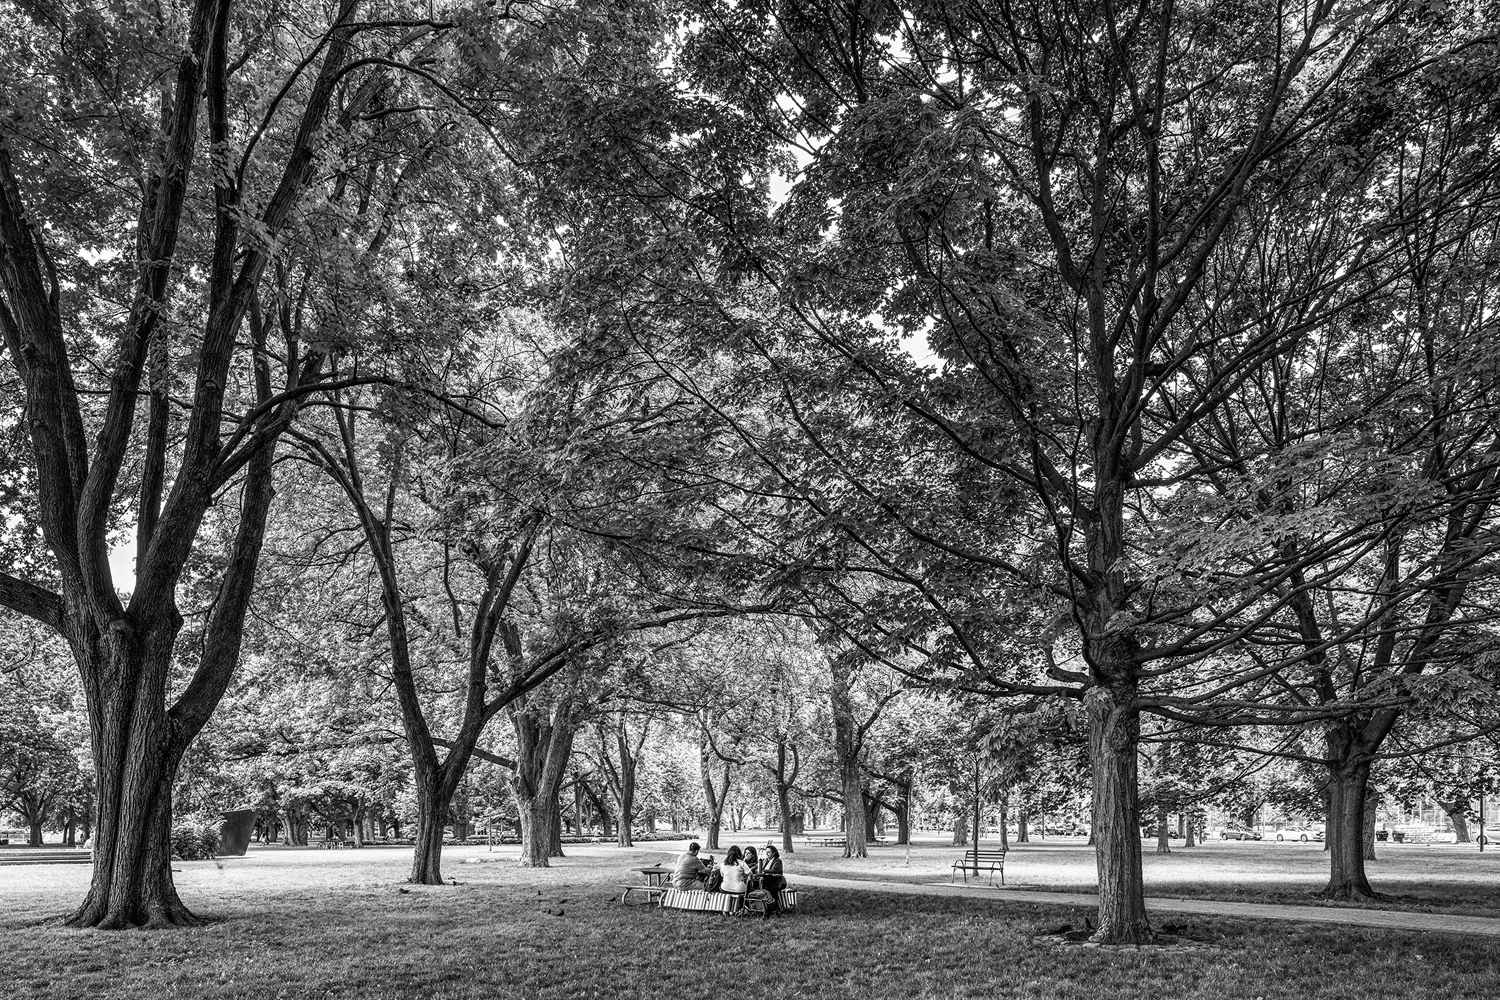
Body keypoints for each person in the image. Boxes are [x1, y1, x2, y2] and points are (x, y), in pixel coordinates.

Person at [759, 844, 787, 916]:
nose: (767, 854)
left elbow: (774, 870)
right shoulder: (765, 861)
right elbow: (756, 867)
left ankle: (773, 909)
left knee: (771, 891)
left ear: (774, 853)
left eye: (769, 852)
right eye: (766, 852)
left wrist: (762, 870)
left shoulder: (777, 861)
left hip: (776, 883)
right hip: (767, 881)